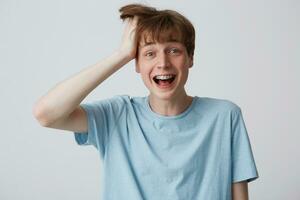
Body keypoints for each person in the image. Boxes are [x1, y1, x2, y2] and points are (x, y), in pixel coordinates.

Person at [33, 3, 259, 200]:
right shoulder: (118, 115)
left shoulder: (224, 116)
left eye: (174, 50)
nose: (163, 63)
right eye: (150, 53)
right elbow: (46, 114)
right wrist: (121, 54)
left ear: (190, 58)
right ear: (136, 64)